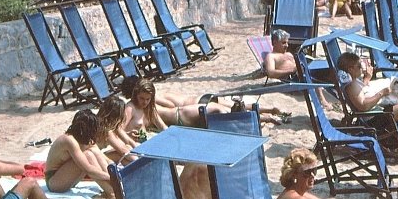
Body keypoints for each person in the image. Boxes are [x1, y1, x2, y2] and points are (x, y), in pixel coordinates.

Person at [120, 75, 290, 128]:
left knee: (229, 112)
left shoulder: (151, 103)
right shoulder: (151, 99)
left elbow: (169, 110)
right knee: (231, 108)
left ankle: (266, 117)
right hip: (196, 101)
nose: (143, 101)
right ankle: (267, 111)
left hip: (186, 112)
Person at [44, 110, 115, 197]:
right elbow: (88, 169)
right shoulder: (69, 140)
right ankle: (110, 191)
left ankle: (113, 187)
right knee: (87, 155)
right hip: (54, 182)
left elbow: (103, 157)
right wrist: (110, 177)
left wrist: (114, 172)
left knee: (92, 151)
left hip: (66, 179)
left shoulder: (84, 139)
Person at [95, 96, 138, 164]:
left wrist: (141, 152)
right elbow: (123, 151)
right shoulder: (106, 130)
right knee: (120, 155)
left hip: (98, 154)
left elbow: (129, 142)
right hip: (94, 158)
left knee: (128, 147)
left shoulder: (112, 125)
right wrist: (139, 161)